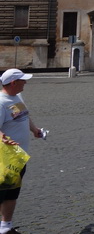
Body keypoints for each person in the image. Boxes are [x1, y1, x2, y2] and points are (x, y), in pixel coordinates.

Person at [0, 69, 44, 234]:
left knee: (12, 192)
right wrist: (3, 137)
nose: (25, 83)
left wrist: (34, 130)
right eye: (22, 80)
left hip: (19, 155)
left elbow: (23, 115)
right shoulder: (1, 102)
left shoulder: (16, 97)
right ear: (13, 83)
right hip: (5, 157)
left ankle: (5, 227)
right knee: (2, 192)